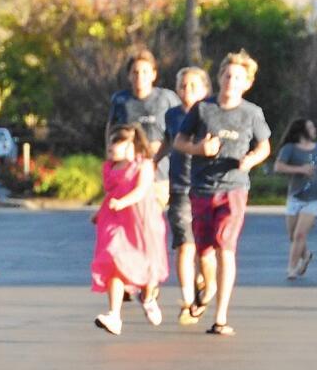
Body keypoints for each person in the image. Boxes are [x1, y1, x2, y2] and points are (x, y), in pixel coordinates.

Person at [175, 50, 272, 336]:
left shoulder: (252, 113)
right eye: (227, 75)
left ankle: (220, 317)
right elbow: (180, 140)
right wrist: (198, 149)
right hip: (202, 187)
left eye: (238, 77)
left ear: (247, 83)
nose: (231, 81)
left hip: (234, 188)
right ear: (219, 78)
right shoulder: (203, 109)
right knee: (204, 253)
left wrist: (251, 160)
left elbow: (265, 145)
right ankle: (207, 289)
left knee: (225, 248)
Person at [91, 125, 169, 335]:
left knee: (148, 264)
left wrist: (123, 202)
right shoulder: (109, 167)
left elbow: (141, 191)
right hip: (116, 219)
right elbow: (111, 194)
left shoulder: (143, 165)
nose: (111, 147)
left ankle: (149, 296)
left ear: (131, 145)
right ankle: (114, 315)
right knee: (114, 261)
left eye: (117, 142)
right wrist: (101, 212)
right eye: (111, 142)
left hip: (142, 221)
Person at [158, 66, 213, 325]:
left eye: (193, 86)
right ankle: (188, 301)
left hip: (206, 187)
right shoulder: (171, 115)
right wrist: (148, 162)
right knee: (185, 245)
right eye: (182, 85)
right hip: (179, 187)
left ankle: (203, 284)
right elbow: (166, 143)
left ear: (205, 89)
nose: (186, 91)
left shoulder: (212, 113)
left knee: (205, 249)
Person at [107, 49, 181, 207]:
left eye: (145, 72)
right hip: (128, 175)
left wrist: (160, 149)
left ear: (154, 74)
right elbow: (111, 130)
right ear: (129, 75)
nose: (140, 76)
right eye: (135, 72)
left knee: (150, 221)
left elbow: (178, 131)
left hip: (159, 173)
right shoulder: (121, 100)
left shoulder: (166, 98)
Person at [273, 117, 317, 279]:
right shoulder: (289, 148)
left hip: (315, 196)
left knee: (299, 235)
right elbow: (278, 166)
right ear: (302, 131)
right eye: (311, 128)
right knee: (292, 235)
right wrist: (301, 169)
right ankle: (305, 255)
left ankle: (291, 268)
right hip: (296, 197)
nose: (314, 130)